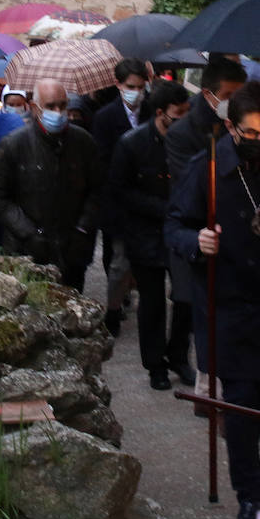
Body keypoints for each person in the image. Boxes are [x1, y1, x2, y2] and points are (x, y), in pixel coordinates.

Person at [165, 82, 260, 519]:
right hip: (226, 299)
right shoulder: (205, 168)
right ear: (230, 127)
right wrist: (196, 241)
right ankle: (249, 494)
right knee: (243, 401)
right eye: (251, 133)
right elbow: (174, 225)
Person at [165, 56, 249, 411]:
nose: (235, 102)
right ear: (211, 95)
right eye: (229, 95)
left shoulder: (242, 125)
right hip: (200, 232)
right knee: (196, 310)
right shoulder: (185, 133)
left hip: (239, 240)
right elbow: (187, 194)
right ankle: (203, 384)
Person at [107, 80, 193, 390]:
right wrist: (162, 207)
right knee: (153, 302)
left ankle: (180, 357)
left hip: (182, 232)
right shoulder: (132, 143)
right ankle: (155, 364)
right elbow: (120, 190)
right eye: (178, 113)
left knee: (186, 298)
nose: (184, 118)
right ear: (161, 113)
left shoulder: (189, 141)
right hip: (146, 233)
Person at [0, 79, 103, 290]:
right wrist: (29, 232)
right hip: (27, 251)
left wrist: (83, 228)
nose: (58, 112)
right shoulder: (14, 145)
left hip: (72, 250)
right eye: (50, 106)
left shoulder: (83, 142)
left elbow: (97, 190)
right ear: (34, 108)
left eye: (62, 105)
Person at [93, 58, 151, 335]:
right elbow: (102, 163)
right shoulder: (105, 117)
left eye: (140, 87)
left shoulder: (151, 110)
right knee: (117, 261)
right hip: (117, 201)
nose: (136, 92)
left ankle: (135, 300)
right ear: (118, 85)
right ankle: (114, 309)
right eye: (131, 86)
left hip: (147, 199)